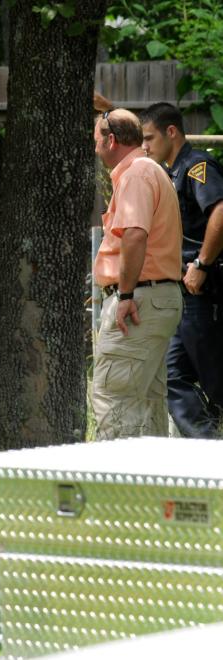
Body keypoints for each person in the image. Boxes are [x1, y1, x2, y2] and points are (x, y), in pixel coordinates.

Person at [91, 107, 183, 439]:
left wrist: (126, 295)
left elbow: (134, 234)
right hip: (156, 297)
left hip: (139, 299)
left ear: (111, 140)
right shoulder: (148, 170)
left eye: (96, 139)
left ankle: (113, 490)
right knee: (146, 406)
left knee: (113, 399)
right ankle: (157, 491)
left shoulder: (136, 174)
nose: (95, 147)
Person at [141, 102, 223, 437]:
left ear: (171, 132)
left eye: (149, 138)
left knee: (216, 379)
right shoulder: (171, 172)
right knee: (172, 374)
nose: (144, 146)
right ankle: (207, 452)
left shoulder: (196, 166)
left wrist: (202, 264)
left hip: (205, 288)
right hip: (181, 291)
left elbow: (220, 212)